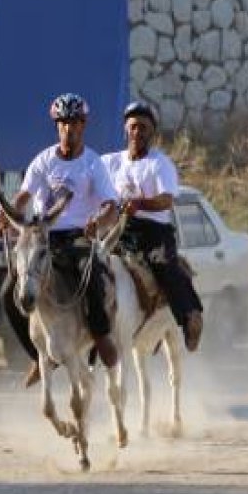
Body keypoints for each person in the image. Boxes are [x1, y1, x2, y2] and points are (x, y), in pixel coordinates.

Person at [0, 93, 121, 386]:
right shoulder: (43, 160)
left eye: (75, 123)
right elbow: (24, 195)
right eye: (64, 123)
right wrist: (7, 214)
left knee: (91, 278)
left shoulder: (92, 163)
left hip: (79, 237)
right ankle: (37, 357)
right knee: (7, 291)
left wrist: (98, 221)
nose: (69, 128)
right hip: (44, 237)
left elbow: (110, 205)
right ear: (57, 126)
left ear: (84, 125)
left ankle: (102, 336)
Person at [100, 101, 204, 351]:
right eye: (134, 127)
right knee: (90, 263)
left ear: (152, 132)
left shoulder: (160, 164)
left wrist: (140, 203)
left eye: (144, 128)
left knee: (165, 267)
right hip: (119, 230)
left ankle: (190, 315)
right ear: (126, 129)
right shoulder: (109, 162)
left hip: (154, 231)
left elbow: (166, 200)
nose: (138, 132)